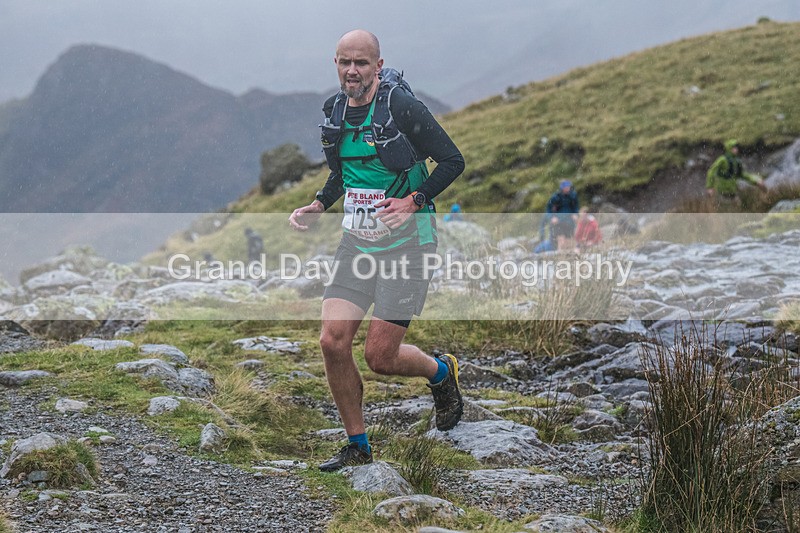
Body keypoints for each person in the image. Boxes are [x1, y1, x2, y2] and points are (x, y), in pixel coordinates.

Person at [288, 30, 465, 472]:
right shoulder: (333, 111)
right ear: (335, 64)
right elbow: (342, 174)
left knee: (380, 358)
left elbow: (452, 160)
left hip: (409, 244)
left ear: (378, 66)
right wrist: (318, 204)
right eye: (346, 62)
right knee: (332, 341)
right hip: (358, 242)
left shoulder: (401, 107)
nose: (353, 71)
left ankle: (440, 372)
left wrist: (413, 201)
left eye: (362, 63)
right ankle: (358, 445)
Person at [706, 139, 767, 207]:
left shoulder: (737, 161)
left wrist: (756, 181)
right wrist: (710, 187)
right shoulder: (722, 160)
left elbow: (743, 175)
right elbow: (711, 171)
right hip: (721, 193)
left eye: (736, 147)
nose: (736, 149)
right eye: (733, 148)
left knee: (739, 209)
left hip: (733, 192)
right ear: (729, 148)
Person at [546, 180, 579, 251]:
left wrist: (575, 214)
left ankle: (572, 254)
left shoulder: (573, 196)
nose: (568, 188)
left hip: (569, 221)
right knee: (561, 239)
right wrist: (552, 218)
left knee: (570, 238)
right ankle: (560, 253)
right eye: (566, 187)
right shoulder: (555, 197)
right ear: (562, 188)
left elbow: (575, 207)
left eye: (569, 187)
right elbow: (548, 209)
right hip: (559, 222)